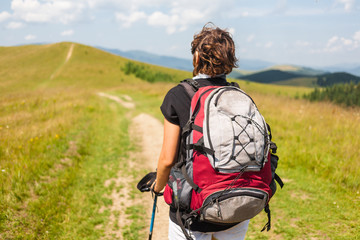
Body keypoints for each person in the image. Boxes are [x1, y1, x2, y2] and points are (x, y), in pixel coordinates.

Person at [152, 23, 250, 240]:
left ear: (196, 58)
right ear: (229, 61)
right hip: (235, 206)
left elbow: (167, 160)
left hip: (193, 213)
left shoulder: (178, 95)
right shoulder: (236, 94)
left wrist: (158, 187)